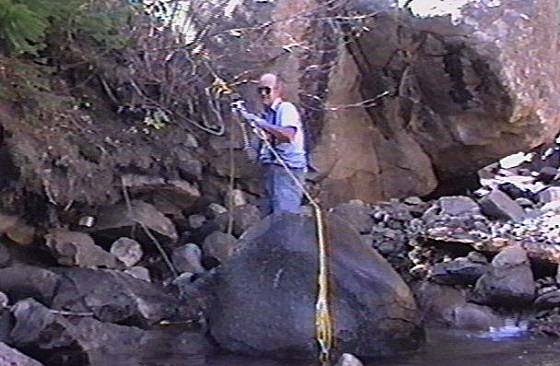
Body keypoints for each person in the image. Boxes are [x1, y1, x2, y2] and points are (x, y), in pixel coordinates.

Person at [239, 73, 308, 215]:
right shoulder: (266, 115)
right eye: (260, 90)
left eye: (267, 89)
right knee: (268, 219)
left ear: (277, 89)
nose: (263, 94)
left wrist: (261, 124)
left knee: (284, 218)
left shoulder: (286, 109)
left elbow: (288, 135)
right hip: (269, 170)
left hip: (287, 171)